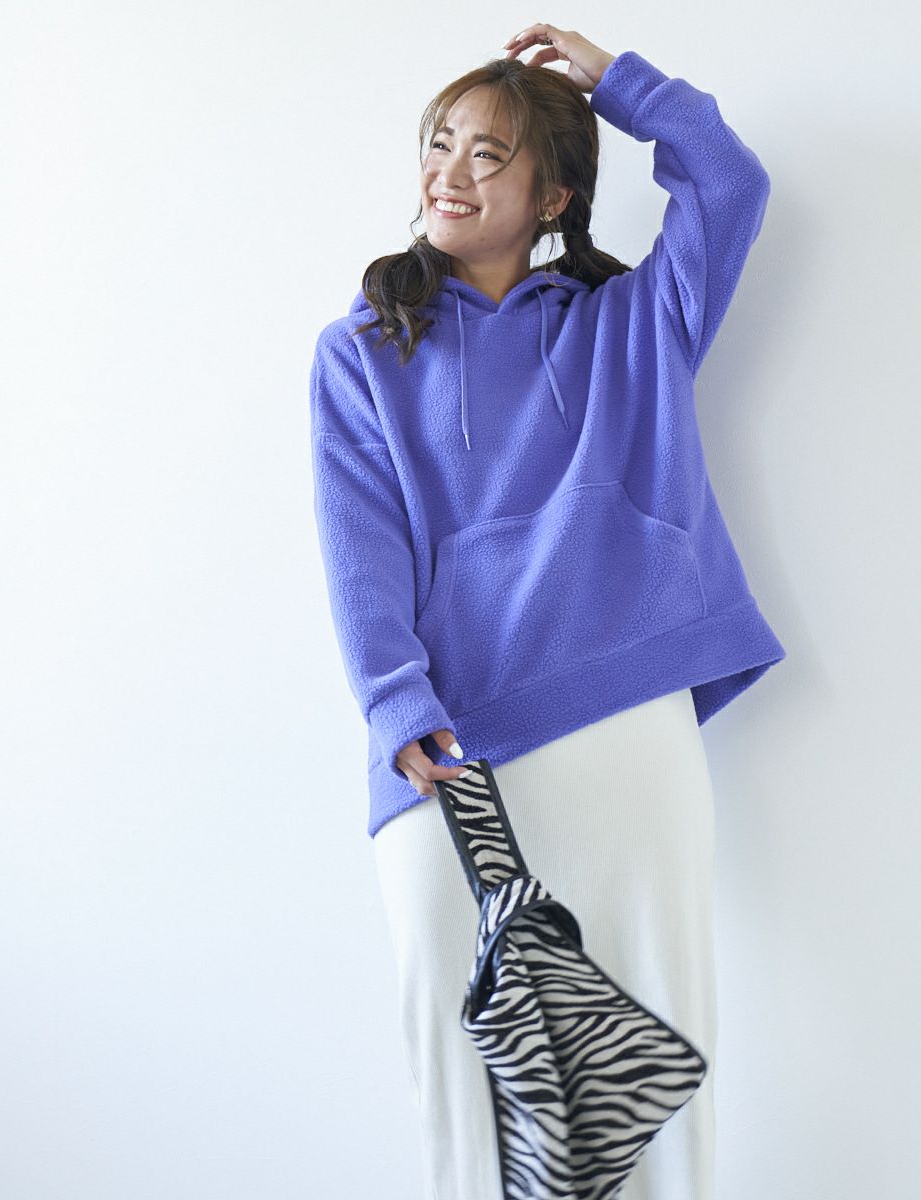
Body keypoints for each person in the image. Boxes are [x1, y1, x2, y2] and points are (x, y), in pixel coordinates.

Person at [309, 22, 786, 1200]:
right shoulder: (363, 350)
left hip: (622, 720)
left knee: (654, 1063)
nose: (449, 172)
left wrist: (618, 83)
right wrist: (393, 704)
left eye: (489, 154)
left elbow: (729, 181)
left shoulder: (634, 322)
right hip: (449, 744)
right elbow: (360, 550)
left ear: (553, 196)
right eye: (440, 143)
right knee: (463, 1081)